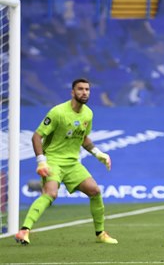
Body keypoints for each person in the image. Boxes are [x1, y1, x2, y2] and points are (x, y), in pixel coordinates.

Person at [15, 78, 117, 245]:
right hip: (53, 161)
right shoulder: (58, 112)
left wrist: (98, 153)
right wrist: (42, 162)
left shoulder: (88, 113)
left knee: (95, 191)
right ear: (72, 92)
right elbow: (36, 137)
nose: (84, 92)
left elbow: (83, 137)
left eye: (87, 89)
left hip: (72, 163)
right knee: (51, 193)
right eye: (80, 89)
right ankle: (24, 231)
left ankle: (101, 234)